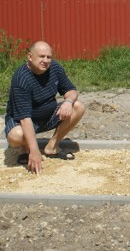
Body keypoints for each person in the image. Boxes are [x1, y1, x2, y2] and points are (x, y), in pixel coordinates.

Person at [5, 41, 85, 174]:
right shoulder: (21, 79)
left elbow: (72, 91)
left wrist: (68, 102)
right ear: (30, 57)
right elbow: (25, 118)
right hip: (23, 120)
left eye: (49, 57)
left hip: (48, 114)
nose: (46, 60)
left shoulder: (55, 68)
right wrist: (35, 150)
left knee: (78, 106)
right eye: (41, 56)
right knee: (15, 136)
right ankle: (25, 149)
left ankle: (52, 147)